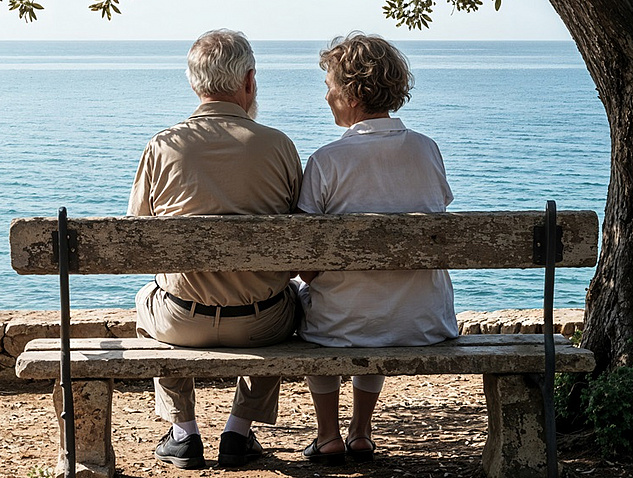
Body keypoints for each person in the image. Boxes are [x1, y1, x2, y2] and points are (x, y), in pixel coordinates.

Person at [127, 29, 302, 470]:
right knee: (292, 300)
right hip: (263, 321)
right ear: (249, 81)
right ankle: (239, 431)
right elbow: (303, 244)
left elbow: (136, 240)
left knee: (146, 300)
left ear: (194, 83)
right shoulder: (279, 146)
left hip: (182, 320)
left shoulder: (163, 147)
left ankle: (184, 433)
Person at [296, 33, 459, 465]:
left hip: (341, 327)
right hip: (422, 320)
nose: (326, 93)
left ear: (351, 92)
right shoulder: (428, 150)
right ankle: (362, 431)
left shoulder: (326, 161)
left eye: (330, 84)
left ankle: (328, 435)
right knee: (389, 294)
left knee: (315, 303)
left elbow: (307, 266)